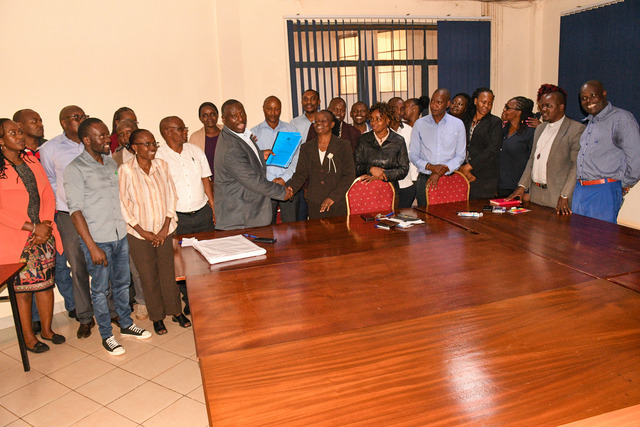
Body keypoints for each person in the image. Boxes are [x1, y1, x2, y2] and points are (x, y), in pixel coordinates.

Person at [64, 118, 151, 355]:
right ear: (86, 140)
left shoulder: (110, 162)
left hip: (119, 235)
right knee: (101, 290)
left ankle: (126, 324)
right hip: (97, 240)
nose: (107, 139)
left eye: (106, 135)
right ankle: (106, 335)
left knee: (122, 284)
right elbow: (75, 211)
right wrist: (92, 246)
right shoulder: (75, 169)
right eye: (101, 136)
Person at [0, 119, 64, 353]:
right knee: (23, 291)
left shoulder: (31, 160)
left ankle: (47, 330)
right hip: (17, 239)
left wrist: (45, 224)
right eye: (13, 133)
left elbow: (47, 193)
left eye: (19, 131)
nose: (20, 136)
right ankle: (28, 338)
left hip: (44, 234)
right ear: (1, 141)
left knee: (46, 285)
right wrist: (32, 228)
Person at [119, 129, 190, 335]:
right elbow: (122, 203)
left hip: (165, 230)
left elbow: (171, 196)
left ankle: (176, 312)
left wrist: (165, 227)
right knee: (148, 276)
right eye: (146, 144)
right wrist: (143, 231)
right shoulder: (126, 170)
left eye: (153, 143)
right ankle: (157, 317)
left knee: (169, 273)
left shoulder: (162, 165)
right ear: (134, 147)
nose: (152, 148)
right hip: (139, 235)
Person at [40, 105, 97, 339]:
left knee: (106, 261)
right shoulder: (50, 148)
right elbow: (49, 181)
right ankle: (85, 317)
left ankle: (111, 311)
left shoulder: (94, 140)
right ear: (64, 122)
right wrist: (65, 202)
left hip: (97, 214)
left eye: (84, 116)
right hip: (69, 216)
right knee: (78, 266)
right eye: (76, 117)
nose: (81, 120)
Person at [155, 115, 214, 314]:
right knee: (183, 263)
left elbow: (206, 180)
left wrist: (213, 208)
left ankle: (207, 295)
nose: (185, 131)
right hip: (178, 218)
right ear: (167, 132)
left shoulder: (195, 151)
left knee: (206, 257)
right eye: (180, 128)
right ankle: (190, 300)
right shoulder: (159, 157)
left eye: (184, 128)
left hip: (202, 213)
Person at [215, 99, 292, 229]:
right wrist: (282, 192)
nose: (240, 119)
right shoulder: (231, 149)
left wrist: (260, 155)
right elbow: (252, 180)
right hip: (241, 219)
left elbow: (243, 156)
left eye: (242, 114)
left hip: (248, 214)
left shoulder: (238, 134)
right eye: (234, 116)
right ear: (224, 119)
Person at [572, 80, 640, 223]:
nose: (588, 101)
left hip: (604, 191)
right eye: (584, 98)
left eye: (593, 96)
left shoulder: (621, 119)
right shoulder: (590, 122)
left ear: (603, 94)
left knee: (601, 236)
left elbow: (636, 159)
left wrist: (622, 185)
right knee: (577, 235)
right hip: (580, 190)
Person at [507, 91, 585, 214]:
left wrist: (565, 195)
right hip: (536, 195)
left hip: (558, 197)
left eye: (549, 106)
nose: (543, 109)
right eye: (542, 106)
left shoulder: (575, 129)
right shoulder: (540, 128)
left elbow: (576, 166)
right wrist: (522, 186)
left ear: (561, 107)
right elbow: (532, 159)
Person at [287, 110, 355, 219]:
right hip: (315, 202)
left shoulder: (343, 145)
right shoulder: (306, 147)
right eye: (317, 121)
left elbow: (349, 175)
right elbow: (300, 174)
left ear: (332, 124)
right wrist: (291, 190)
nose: (319, 123)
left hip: (337, 202)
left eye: (324, 121)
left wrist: (332, 197)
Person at [111, 118, 147, 320]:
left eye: (129, 132)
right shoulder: (114, 159)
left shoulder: (151, 152)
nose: (125, 137)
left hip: (153, 216)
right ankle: (142, 301)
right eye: (121, 134)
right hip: (130, 219)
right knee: (136, 265)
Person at [409, 88, 467, 206]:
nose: (434, 105)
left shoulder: (457, 124)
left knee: (448, 214)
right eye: (433, 101)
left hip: (449, 179)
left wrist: (440, 171)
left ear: (448, 104)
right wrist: (430, 167)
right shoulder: (420, 124)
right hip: (425, 179)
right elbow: (413, 154)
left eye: (439, 102)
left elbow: (460, 156)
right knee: (424, 215)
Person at [250, 96, 300, 223]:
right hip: (265, 185)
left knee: (291, 225)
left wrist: (284, 178)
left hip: (287, 183)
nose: (273, 113)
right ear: (263, 109)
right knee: (267, 225)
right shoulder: (253, 133)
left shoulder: (291, 130)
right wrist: (270, 180)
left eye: (277, 109)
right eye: (269, 109)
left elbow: (296, 159)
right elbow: (251, 161)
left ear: (281, 109)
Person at [459, 87, 504, 199]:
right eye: (483, 102)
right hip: (462, 173)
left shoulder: (495, 122)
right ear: (475, 101)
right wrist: (462, 168)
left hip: (484, 176)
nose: (486, 106)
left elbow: (492, 149)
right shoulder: (465, 120)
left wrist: (469, 167)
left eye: (490, 103)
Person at [354, 102, 409, 190]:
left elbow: (403, 169)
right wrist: (371, 169)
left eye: (378, 119)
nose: (373, 123)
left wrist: (383, 174)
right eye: (371, 119)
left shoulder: (398, 141)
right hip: (368, 189)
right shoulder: (363, 139)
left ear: (387, 120)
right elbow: (356, 166)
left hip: (391, 189)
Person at [498, 96, 535, 197]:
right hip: (500, 186)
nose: (504, 110)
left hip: (518, 187)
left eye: (508, 108)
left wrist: (526, 189)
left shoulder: (529, 132)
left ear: (518, 112)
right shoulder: (502, 129)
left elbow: (532, 161)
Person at [389, 98, 418, 208]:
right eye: (395, 108)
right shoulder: (381, 131)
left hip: (407, 184)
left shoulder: (409, 131)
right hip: (387, 185)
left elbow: (413, 156)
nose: (398, 112)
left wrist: (414, 181)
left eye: (402, 109)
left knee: (404, 215)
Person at [188, 102, 221, 189]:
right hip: (208, 185)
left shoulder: (228, 131)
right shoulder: (195, 137)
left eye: (212, 114)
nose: (209, 118)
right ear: (200, 118)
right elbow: (192, 165)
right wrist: (209, 183)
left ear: (217, 115)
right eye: (205, 115)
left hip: (231, 182)